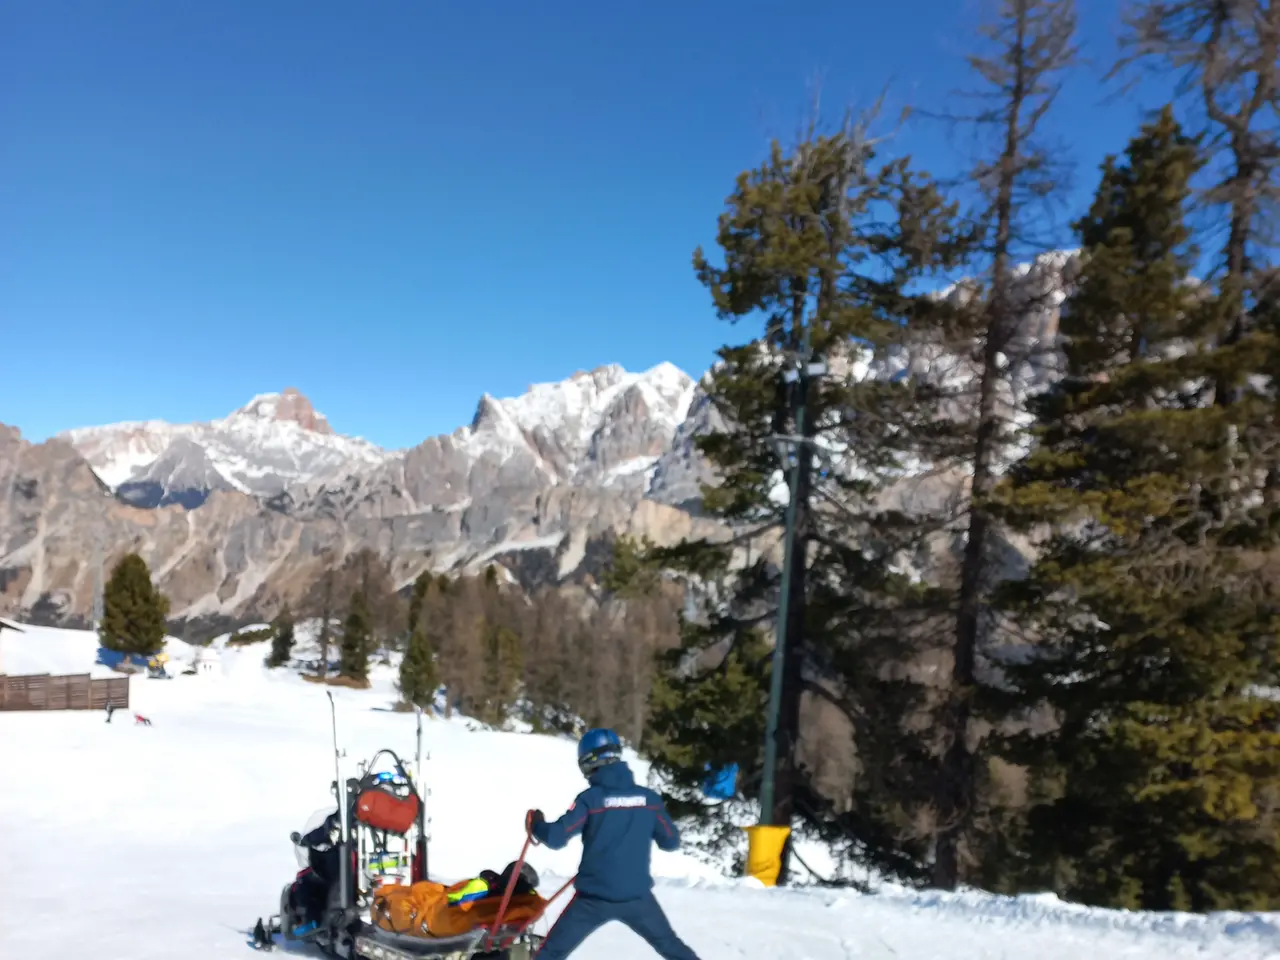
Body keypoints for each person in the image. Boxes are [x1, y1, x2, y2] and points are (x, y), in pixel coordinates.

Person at [525, 728, 700, 960]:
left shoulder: (590, 800)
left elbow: (556, 838)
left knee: (551, 953)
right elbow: (671, 841)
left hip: (592, 900)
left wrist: (536, 825)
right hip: (637, 898)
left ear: (588, 761)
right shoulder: (648, 800)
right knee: (671, 946)